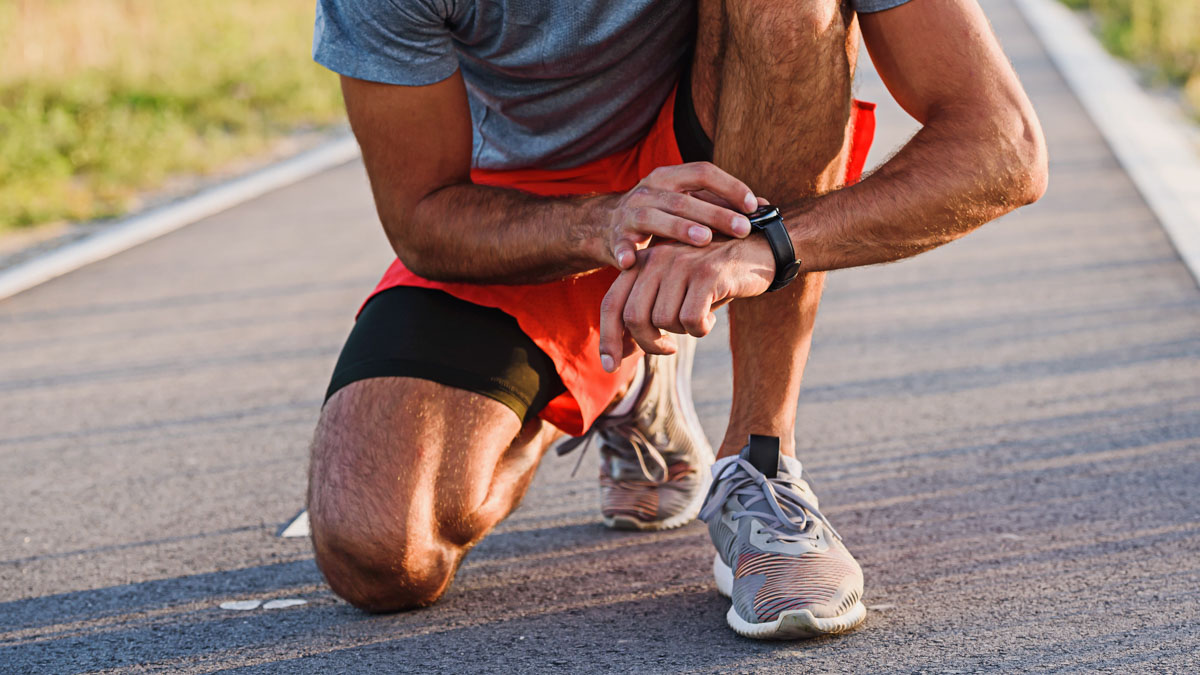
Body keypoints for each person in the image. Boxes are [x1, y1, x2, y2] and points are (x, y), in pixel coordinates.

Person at [306, 0, 1047, 639]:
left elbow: (1003, 146)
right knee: (378, 548)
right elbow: (421, 213)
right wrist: (604, 224)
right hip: (531, 205)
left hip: (725, 143)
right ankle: (625, 378)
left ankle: (762, 467)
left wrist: (766, 248)